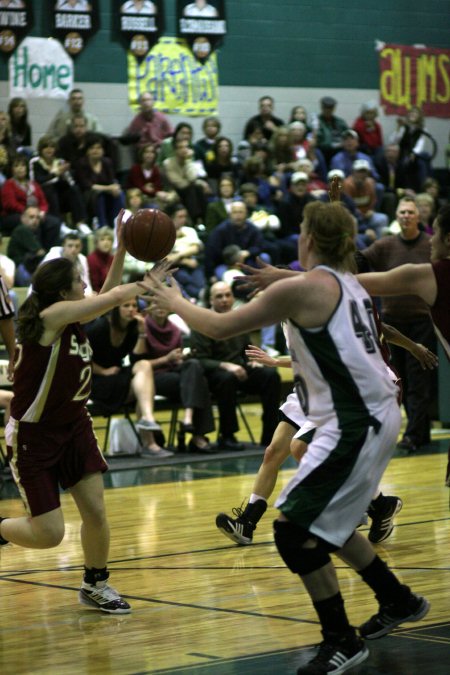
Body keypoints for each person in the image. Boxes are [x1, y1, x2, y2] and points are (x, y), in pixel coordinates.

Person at [146, 201, 430, 673]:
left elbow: (218, 326)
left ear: (309, 241)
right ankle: (397, 599)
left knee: (293, 531)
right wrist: (281, 276)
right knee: (326, 523)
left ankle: (341, 637)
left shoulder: (304, 290)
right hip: (367, 412)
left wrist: (173, 300)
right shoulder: (347, 283)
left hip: (355, 421)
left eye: (301, 229)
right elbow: (312, 289)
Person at [0, 212, 171, 614]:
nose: (85, 283)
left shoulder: (70, 314)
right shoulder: (49, 319)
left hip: (75, 427)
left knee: (96, 511)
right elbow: (112, 297)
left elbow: (106, 292)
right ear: (62, 293)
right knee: (49, 534)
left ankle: (96, 583)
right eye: (79, 279)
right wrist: (148, 280)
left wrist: (124, 245)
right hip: (34, 435)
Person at [216, 326, 437, 546]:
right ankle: (247, 523)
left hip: (350, 385)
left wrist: (413, 347)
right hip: (313, 385)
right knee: (273, 452)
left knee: (301, 448)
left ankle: (359, 505)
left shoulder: (318, 302)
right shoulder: (284, 307)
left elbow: (368, 334)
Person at [358, 203, 450, 485]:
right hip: (395, 323)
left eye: (437, 232)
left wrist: (288, 277)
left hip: (417, 324)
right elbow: (358, 263)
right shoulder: (387, 246)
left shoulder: (430, 273)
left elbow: (344, 281)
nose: (431, 238)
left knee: (417, 385)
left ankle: (415, 433)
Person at [189, 281, 281, 450]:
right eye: (219, 296)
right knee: (227, 378)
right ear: (211, 300)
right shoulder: (201, 323)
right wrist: (226, 365)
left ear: (232, 298)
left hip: (238, 370)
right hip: (213, 375)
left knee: (270, 376)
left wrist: (254, 360)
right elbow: (199, 360)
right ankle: (227, 435)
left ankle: (270, 434)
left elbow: (246, 350)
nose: (224, 299)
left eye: (227, 295)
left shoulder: (238, 320)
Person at [86, 299, 171, 457]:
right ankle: (149, 444)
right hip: (96, 380)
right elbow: (80, 358)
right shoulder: (100, 327)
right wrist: (104, 371)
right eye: (126, 305)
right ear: (116, 309)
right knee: (145, 389)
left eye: (134, 306)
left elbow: (137, 358)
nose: (131, 309)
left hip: (116, 376)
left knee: (144, 367)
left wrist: (142, 331)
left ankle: (147, 417)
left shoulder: (132, 327)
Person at [132, 303, 215, 454]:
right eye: (155, 303)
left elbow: (176, 362)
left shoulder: (175, 329)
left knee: (193, 365)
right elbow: (138, 365)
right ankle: (198, 435)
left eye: (163, 302)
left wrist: (181, 358)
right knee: (199, 382)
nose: (160, 307)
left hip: (172, 374)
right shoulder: (143, 327)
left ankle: (188, 419)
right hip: (150, 379)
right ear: (148, 307)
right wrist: (166, 359)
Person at [29, 134, 87, 232]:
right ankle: (59, 225)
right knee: (51, 188)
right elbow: (36, 182)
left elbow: (70, 183)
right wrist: (55, 173)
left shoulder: (60, 162)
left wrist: (65, 174)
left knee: (74, 189)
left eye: (51, 147)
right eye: (46, 147)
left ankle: (80, 223)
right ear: (41, 149)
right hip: (43, 196)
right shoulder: (35, 162)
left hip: (60, 197)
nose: (49, 149)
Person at [1, 155, 61, 248]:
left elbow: (43, 201)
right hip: (13, 215)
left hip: (35, 213)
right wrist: (29, 213)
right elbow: (10, 204)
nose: (20, 169)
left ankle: (50, 252)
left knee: (54, 222)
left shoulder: (33, 184)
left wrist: (42, 212)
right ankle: (37, 252)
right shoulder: (8, 185)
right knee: (33, 222)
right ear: (12, 169)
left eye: (23, 166)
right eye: (16, 166)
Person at [204, 200, 270, 280]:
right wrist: (211, 276)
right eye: (234, 212)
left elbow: (260, 246)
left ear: (246, 213)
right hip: (226, 264)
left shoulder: (253, 229)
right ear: (229, 214)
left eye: (240, 212)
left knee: (264, 257)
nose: (238, 215)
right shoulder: (220, 231)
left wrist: (248, 252)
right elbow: (210, 254)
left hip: (248, 261)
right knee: (225, 276)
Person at [74, 134, 125, 228]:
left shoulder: (107, 162)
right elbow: (87, 185)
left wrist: (115, 187)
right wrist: (108, 188)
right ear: (87, 151)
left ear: (103, 150)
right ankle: (103, 225)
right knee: (100, 196)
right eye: (92, 148)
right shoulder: (82, 164)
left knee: (119, 193)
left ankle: (117, 224)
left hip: (106, 192)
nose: (95, 151)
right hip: (88, 195)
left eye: (98, 148)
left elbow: (112, 181)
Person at [343, 159, 388, 241]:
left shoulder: (370, 183)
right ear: (353, 172)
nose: (362, 175)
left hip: (367, 216)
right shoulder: (347, 185)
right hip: (354, 218)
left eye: (364, 172)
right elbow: (348, 206)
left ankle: (379, 245)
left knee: (382, 218)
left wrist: (371, 210)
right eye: (359, 172)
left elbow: (373, 201)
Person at [42, 232, 93, 296]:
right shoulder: (52, 257)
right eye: (70, 246)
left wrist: (90, 295)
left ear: (81, 247)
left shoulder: (82, 259)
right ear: (63, 246)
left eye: (77, 246)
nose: (74, 249)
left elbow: (86, 282)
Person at [7, 205, 47, 287]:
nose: (35, 220)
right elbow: (40, 252)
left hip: (27, 267)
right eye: (31, 217)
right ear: (23, 218)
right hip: (19, 267)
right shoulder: (22, 230)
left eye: (37, 218)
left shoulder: (36, 232)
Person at [315, 96, 348, 165]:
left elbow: (347, 134)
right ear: (322, 108)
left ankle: (336, 175)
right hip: (323, 151)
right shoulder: (316, 122)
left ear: (333, 109)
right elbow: (317, 139)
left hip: (338, 150)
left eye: (330, 108)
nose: (328, 110)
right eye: (326, 108)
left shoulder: (340, 122)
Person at [87, 226, 114, 293]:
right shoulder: (92, 259)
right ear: (96, 243)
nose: (106, 242)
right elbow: (95, 287)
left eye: (109, 239)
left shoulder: (112, 258)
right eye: (102, 239)